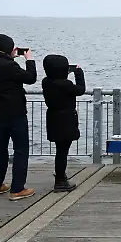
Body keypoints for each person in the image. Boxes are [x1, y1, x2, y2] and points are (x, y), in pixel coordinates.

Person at [0, 34, 37, 201]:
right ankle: (17, 189)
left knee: (0, 149)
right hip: (16, 114)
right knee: (20, 150)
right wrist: (29, 59)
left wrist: (9, 57)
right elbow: (30, 78)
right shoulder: (9, 66)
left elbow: (2, 74)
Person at [42, 55, 85, 192]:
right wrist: (79, 73)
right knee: (62, 152)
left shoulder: (46, 82)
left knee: (59, 150)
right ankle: (60, 180)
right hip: (66, 120)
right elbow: (80, 90)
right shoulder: (65, 85)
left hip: (53, 119)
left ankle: (60, 177)